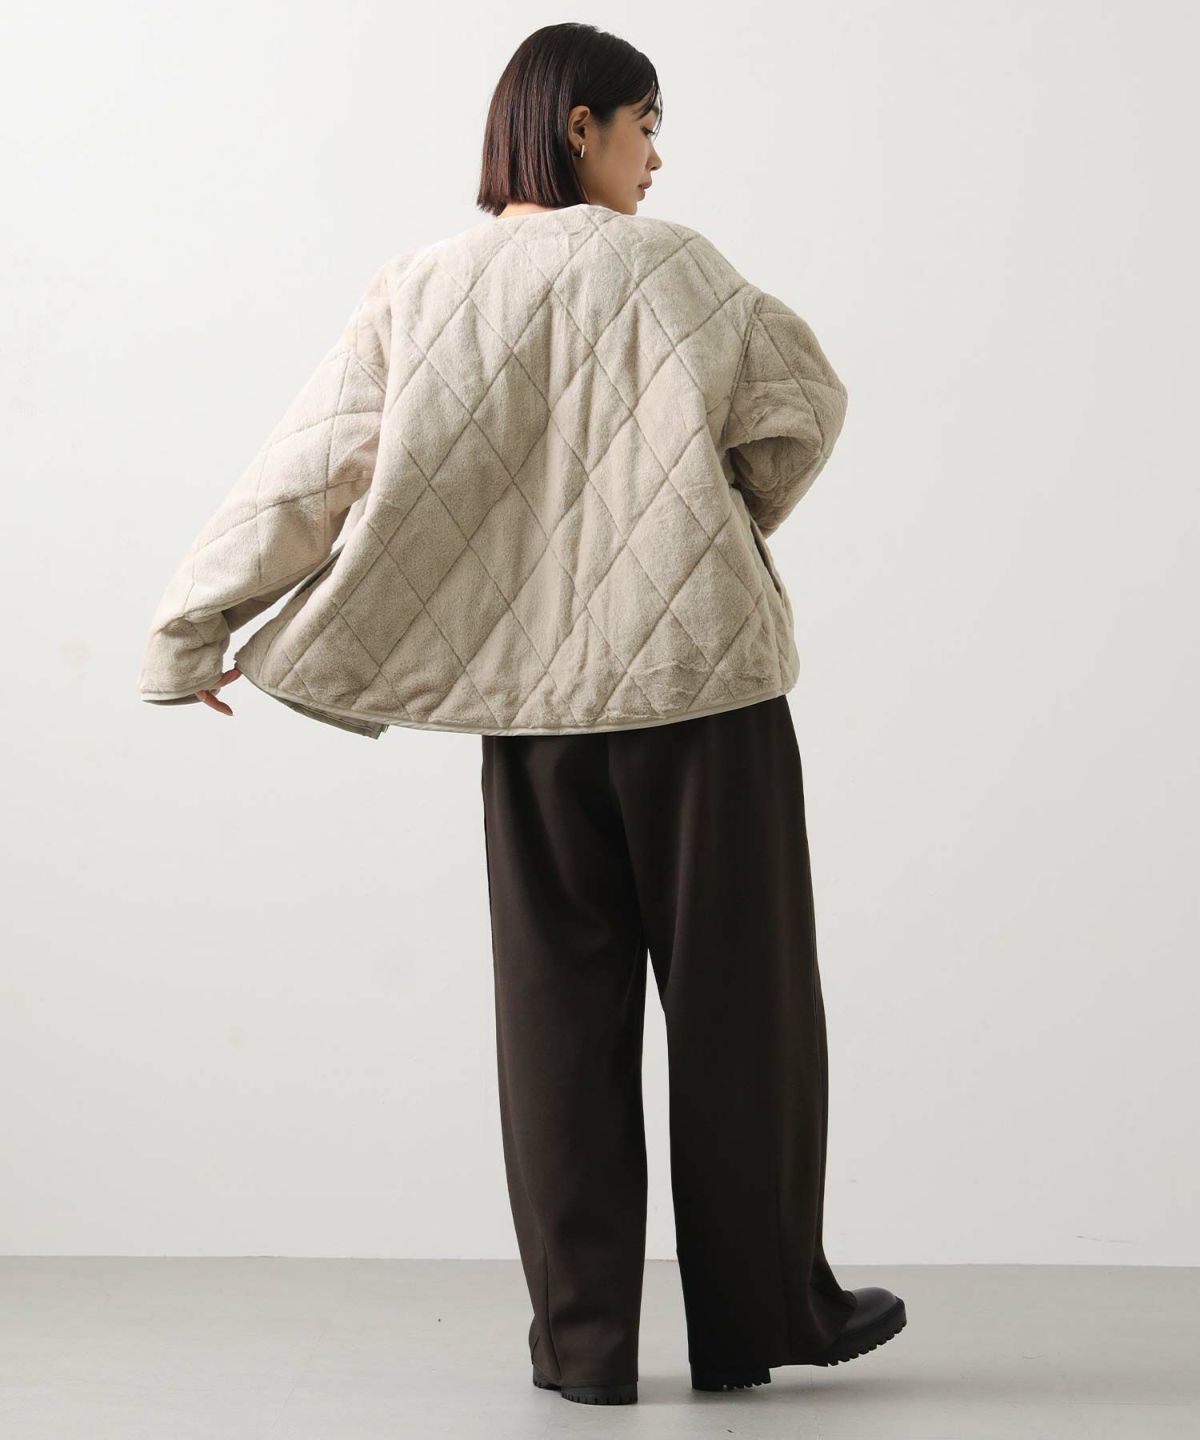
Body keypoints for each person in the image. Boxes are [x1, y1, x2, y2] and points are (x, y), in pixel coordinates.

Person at [136, 20, 906, 1408]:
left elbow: (306, 473)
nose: (656, 158)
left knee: (557, 1024)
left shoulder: (423, 288)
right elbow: (804, 407)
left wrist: (192, 626)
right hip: (703, 694)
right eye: (645, 126)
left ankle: (584, 1347)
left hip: (532, 712)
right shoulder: (677, 270)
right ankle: (758, 1315)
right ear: (577, 127)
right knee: (743, 1014)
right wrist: (726, 516)